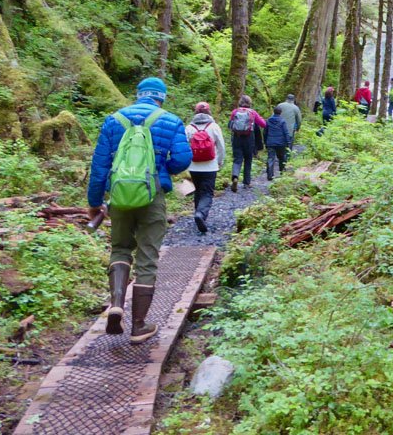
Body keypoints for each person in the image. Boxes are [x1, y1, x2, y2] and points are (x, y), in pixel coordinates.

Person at [87, 77, 192, 344]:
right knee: (147, 256)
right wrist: (161, 172)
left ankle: (116, 305)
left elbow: (99, 165)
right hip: (151, 195)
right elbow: (183, 158)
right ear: (161, 97)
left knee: (120, 249)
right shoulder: (170, 120)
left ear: (138, 95)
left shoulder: (114, 120)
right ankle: (139, 326)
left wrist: (95, 201)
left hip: (119, 196)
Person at [185, 102, 226, 234]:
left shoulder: (189, 128)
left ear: (196, 112)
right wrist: (219, 161)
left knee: (198, 190)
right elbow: (221, 146)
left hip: (193, 165)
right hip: (210, 166)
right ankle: (201, 214)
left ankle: (198, 213)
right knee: (207, 192)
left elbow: (184, 147)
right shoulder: (214, 126)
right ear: (209, 112)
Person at [228, 95, 267, 192]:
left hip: (237, 138)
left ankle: (235, 176)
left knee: (237, 159)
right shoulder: (252, 112)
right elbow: (263, 124)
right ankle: (246, 182)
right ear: (249, 103)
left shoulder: (235, 112)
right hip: (249, 139)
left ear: (240, 102)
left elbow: (230, 125)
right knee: (248, 160)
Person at [264, 105, 292, 180]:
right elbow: (286, 132)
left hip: (270, 142)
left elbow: (265, 132)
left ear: (274, 112)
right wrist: (288, 142)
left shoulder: (268, 121)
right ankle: (282, 172)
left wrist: (265, 141)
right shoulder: (282, 121)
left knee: (270, 158)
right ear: (281, 112)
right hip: (281, 143)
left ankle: (270, 175)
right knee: (282, 157)